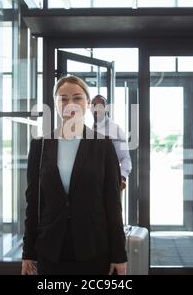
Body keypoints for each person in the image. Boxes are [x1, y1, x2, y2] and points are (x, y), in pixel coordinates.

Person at [21, 75, 127, 275]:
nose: (70, 104)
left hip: (93, 249)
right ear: (56, 104)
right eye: (63, 98)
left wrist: (118, 254)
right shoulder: (40, 146)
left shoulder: (103, 145)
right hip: (51, 250)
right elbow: (33, 202)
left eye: (77, 98)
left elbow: (113, 204)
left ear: (88, 104)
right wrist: (28, 251)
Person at [91, 95, 132, 190]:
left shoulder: (115, 129)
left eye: (101, 106)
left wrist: (121, 178)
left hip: (110, 183)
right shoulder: (92, 129)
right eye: (94, 106)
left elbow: (126, 158)